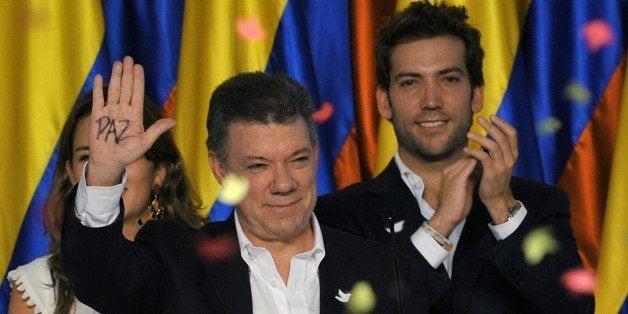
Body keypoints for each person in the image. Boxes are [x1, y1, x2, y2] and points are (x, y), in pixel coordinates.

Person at [60, 56, 428, 313]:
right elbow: (100, 279)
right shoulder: (178, 261)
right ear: (220, 168)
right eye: (258, 165)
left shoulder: (385, 270)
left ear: (316, 155)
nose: (283, 183)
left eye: (298, 160)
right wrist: (105, 173)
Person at [315, 1, 594, 313]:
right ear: (384, 102)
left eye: (448, 79)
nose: (431, 100)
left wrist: (502, 208)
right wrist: (439, 226)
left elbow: (576, 310)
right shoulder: (336, 219)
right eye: (410, 82)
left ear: (476, 95)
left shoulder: (538, 206)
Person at [7, 87, 204, 314]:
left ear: (159, 172)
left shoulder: (208, 267)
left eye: (126, 151)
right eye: (88, 158)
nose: (110, 167)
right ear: (71, 175)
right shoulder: (37, 286)